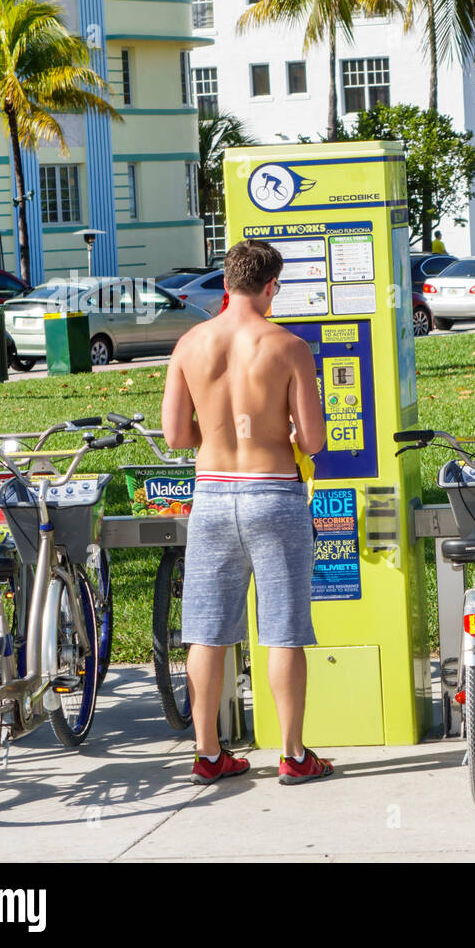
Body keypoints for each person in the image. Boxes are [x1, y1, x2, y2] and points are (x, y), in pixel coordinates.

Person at [161, 239, 332, 787]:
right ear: (271, 287)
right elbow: (314, 438)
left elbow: (175, 434)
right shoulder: (288, 347)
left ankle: (208, 753)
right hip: (274, 494)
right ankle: (292, 753)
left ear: (226, 282)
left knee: (207, 633)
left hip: (212, 495)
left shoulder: (189, 344)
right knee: (283, 630)